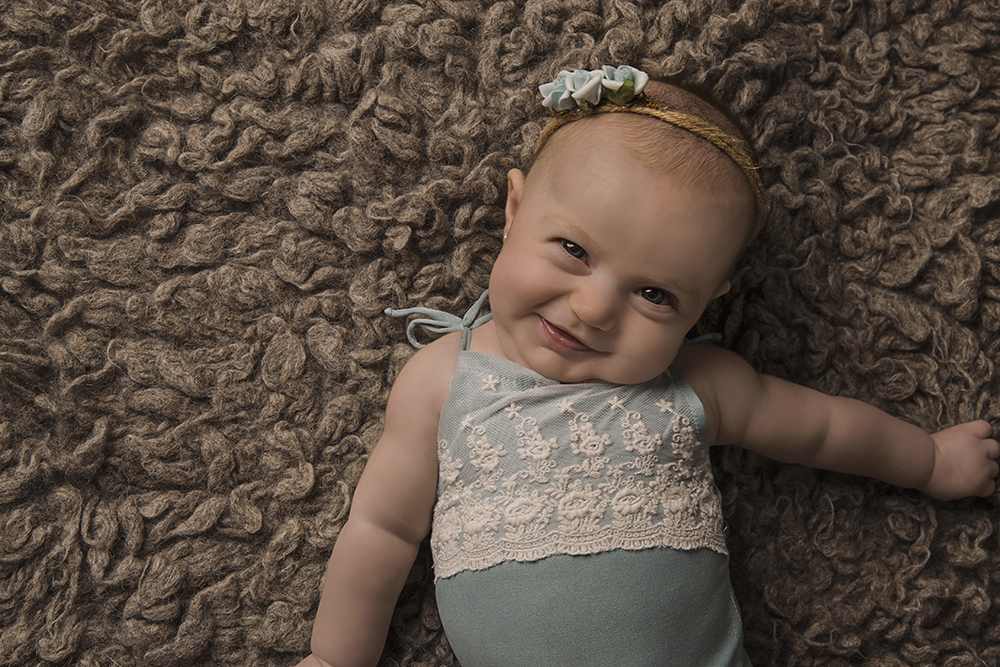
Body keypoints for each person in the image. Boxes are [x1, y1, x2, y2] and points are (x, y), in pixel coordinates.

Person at [295, 66, 999, 667]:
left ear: (705, 303)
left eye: (656, 295)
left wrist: (930, 459)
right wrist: (334, 656)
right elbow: (381, 529)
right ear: (514, 209)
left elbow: (823, 428)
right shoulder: (444, 378)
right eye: (573, 250)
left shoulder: (693, 383)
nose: (594, 308)